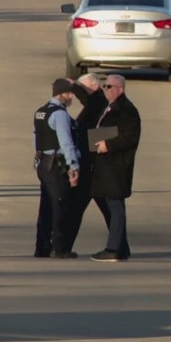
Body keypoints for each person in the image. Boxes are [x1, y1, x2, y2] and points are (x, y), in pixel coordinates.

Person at [89, 74, 141, 262]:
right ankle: (121, 247)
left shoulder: (127, 110)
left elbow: (130, 136)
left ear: (120, 89)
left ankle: (113, 249)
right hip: (105, 166)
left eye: (109, 86)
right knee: (109, 203)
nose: (106, 89)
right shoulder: (109, 107)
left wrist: (108, 145)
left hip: (117, 165)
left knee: (115, 205)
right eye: (104, 86)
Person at [34, 78, 81, 259]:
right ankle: (60, 248)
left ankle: (42, 247)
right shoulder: (60, 115)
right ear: (60, 94)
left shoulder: (41, 112)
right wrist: (73, 166)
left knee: (46, 206)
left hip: (43, 163)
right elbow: (66, 142)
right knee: (60, 205)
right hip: (56, 164)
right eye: (69, 93)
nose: (71, 97)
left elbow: (36, 138)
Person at [67, 73, 110, 251]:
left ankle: (64, 247)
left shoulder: (100, 101)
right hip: (91, 165)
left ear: (94, 87)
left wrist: (74, 86)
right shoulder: (96, 106)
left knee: (77, 208)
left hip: (92, 167)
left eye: (83, 88)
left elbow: (86, 99)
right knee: (79, 209)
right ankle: (65, 246)